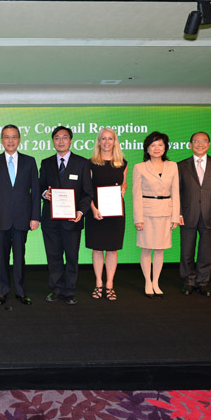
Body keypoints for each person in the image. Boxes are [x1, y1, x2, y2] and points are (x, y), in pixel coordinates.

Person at [0, 125, 40, 306]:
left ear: (19, 139)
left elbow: (35, 191)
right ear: (1, 140)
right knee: (2, 257)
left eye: (14, 137)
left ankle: (21, 291)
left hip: (22, 217)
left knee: (19, 256)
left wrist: (35, 217)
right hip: (0, 217)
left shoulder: (30, 161)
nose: (10, 141)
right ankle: (2, 291)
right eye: (7, 137)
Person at [39, 126, 92, 305]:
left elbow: (87, 192)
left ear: (71, 140)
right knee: (53, 256)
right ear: (53, 141)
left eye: (64, 138)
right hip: (50, 220)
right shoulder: (46, 163)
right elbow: (40, 186)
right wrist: (44, 193)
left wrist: (80, 212)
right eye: (57, 138)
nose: (60, 141)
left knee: (71, 256)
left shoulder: (82, 163)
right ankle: (56, 289)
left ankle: (69, 291)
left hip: (72, 220)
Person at [177, 131, 211, 297]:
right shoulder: (181, 165)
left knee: (207, 251)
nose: (200, 144)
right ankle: (189, 281)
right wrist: (177, 213)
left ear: (209, 144)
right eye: (196, 141)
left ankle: (203, 282)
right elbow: (176, 192)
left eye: (204, 141)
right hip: (187, 214)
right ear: (190, 144)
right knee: (186, 251)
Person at [132, 131, 180, 298]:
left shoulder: (172, 166)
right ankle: (147, 281)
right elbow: (136, 194)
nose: (157, 148)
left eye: (160, 145)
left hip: (166, 212)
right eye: (153, 145)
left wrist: (176, 216)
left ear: (165, 147)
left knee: (160, 249)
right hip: (146, 213)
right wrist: (137, 218)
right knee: (146, 248)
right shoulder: (139, 167)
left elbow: (176, 192)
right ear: (147, 148)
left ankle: (156, 282)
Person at [85, 128, 127, 301]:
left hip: (115, 212)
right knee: (97, 248)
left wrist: (123, 190)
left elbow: (124, 184)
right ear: (99, 141)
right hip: (96, 211)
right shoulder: (91, 163)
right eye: (103, 139)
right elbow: (86, 190)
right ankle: (98, 283)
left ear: (115, 141)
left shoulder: (122, 162)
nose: (107, 142)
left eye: (110, 139)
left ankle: (109, 284)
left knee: (112, 248)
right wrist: (93, 209)